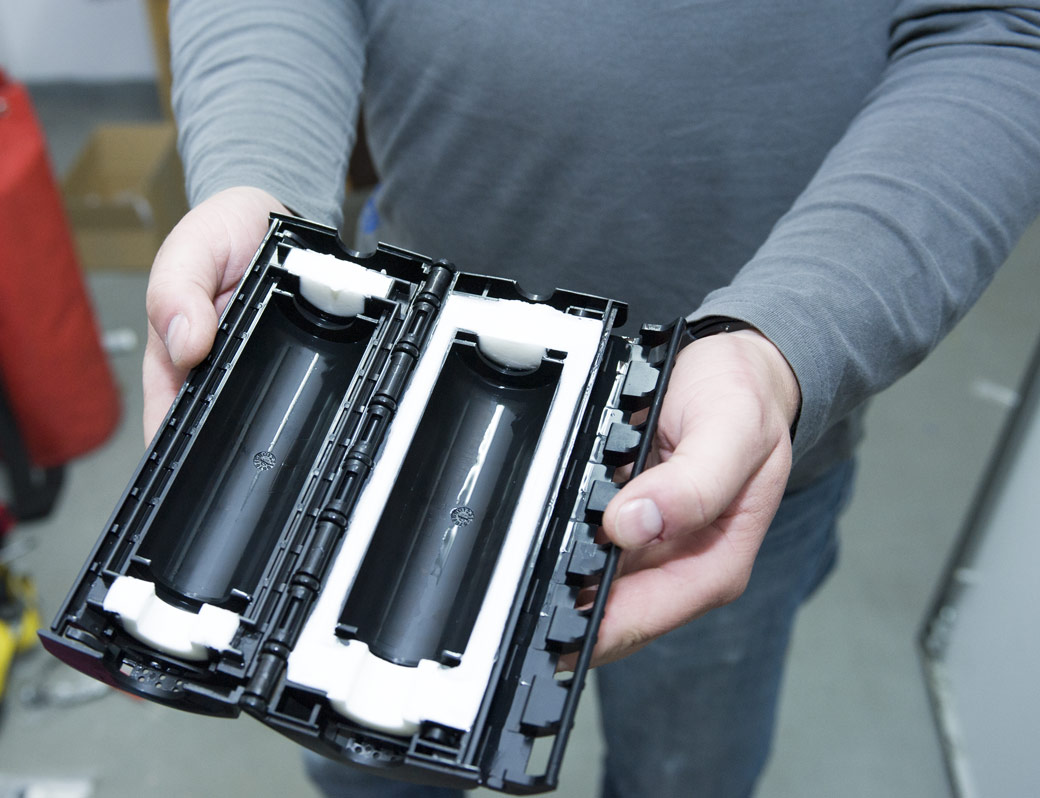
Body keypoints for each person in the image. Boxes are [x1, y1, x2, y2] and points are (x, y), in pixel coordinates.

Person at [143, 2, 1040, 796]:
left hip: (724, 451)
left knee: (685, 769)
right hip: (392, 403)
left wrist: (791, 341)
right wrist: (262, 185)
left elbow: (1000, 30)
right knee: (364, 757)